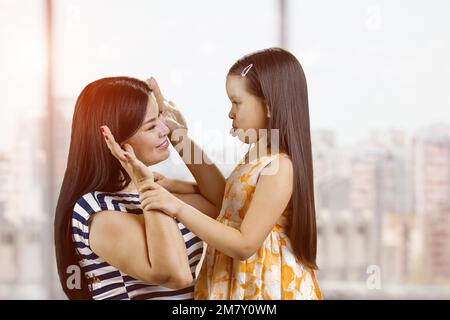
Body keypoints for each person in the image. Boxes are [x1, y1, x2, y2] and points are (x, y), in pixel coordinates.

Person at [114, 48, 323, 300]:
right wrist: (177, 136)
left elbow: (244, 244)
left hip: (266, 290)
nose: (230, 113)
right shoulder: (257, 157)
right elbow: (225, 199)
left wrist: (176, 206)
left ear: (268, 106)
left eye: (236, 102)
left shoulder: (280, 167)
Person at [54, 76, 217, 300]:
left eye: (160, 116)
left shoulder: (156, 190)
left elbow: (225, 205)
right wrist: (145, 185)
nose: (165, 130)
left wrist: (182, 138)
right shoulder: (97, 211)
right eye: (151, 126)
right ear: (116, 142)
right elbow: (176, 275)